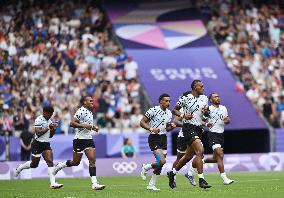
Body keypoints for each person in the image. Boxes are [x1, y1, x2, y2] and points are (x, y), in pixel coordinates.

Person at [52, 96, 105, 190]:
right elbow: (72, 123)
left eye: (93, 101)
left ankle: (95, 184)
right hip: (79, 140)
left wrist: (93, 127)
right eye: (90, 101)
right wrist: (84, 125)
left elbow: (87, 125)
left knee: (92, 160)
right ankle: (60, 166)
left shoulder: (89, 112)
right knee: (75, 162)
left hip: (88, 139)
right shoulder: (81, 111)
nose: (92, 102)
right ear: (85, 102)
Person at [167, 80, 211, 189]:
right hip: (188, 128)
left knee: (188, 156)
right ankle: (201, 179)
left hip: (198, 128)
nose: (203, 88)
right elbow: (174, 110)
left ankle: (172, 173)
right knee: (200, 151)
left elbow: (204, 115)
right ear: (195, 87)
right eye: (201, 86)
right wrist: (183, 115)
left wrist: (206, 113)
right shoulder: (185, 98)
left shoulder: (204, 98)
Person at [14, 106, 63, 189]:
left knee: (50, 162)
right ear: (44, 112)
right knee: (34, 164)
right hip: (37, 143)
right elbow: (38, 132)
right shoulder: (39, 119)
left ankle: (53, 183)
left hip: (46, 144)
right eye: (49, 114)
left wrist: (53, 129)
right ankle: (21, 167)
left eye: (51, 114)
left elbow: (50, 136)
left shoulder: (50, 121)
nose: (50, 116)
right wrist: (48, 127)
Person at [191, 92, 234, 185]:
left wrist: (226, 120)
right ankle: (224, 178)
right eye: (215, 97)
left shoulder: (223, 108)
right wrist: (206, 122)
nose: (218, 98)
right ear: (211, 100)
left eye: (218, 96)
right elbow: (201, 118)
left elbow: (227, 120)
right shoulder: (209, 108)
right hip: (212, 134)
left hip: (221, 135)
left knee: (215, 158)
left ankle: (200, 162)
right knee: (220, 154)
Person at [140, 93, 176, 191]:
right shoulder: (153, 110)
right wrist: (151, 129)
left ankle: (151, 185)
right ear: (161, 101)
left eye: (169, 101)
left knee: (161, 164)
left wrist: (171, 127)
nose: (168, 103)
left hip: (163, 138)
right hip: (154, 138)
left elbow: (167, 129)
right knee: (161, 161)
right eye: (166, 101)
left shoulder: (169, 113)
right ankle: (146, 167)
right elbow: (142, 122)